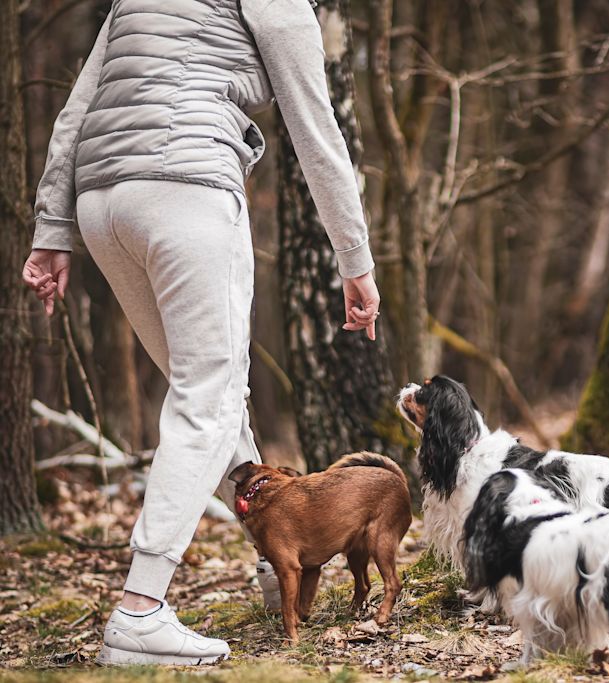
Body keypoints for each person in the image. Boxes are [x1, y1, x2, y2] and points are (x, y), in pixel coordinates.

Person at [22, 0, 379, 666]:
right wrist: (355, 259)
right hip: (185, 186)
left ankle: (275, 562)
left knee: (210, 392)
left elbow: (78, 107)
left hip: (102, 201)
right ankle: (140, 611)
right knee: (208, 397)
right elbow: (314, 126)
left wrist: (53, 228)